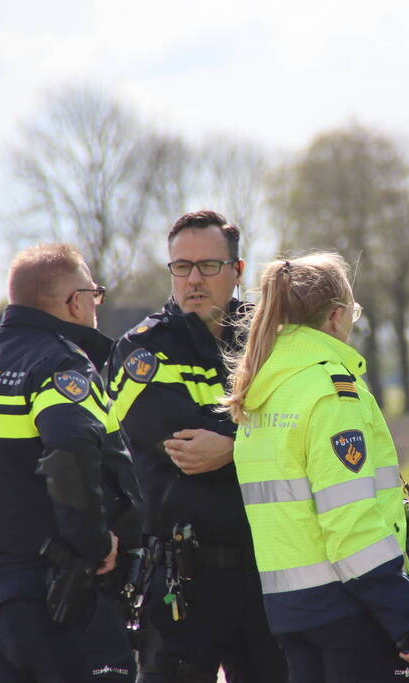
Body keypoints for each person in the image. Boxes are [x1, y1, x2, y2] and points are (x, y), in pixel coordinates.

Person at [221, 252, 409, 683]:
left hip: (292, 614)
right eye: (353, 313)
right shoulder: (330, 392)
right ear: (337, 316)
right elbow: (351, 525)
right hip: (352, 613)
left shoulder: (263, 392)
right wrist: (406, 615)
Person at [0, 243, 132, 681]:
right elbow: (70, 454)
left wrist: (1, 539)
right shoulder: (58, 364)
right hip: (59, 596)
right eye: (94, 294)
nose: (96, 305)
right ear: (75, 301)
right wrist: (94, 545)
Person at [107, 210, 287, 682]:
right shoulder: (142, 350)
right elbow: (186, 446)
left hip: (271, 569)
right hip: (183, 582)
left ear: (238, 271)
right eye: (181, 267)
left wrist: (232, 446)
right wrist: (258, 435)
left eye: (209, 266)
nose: (193, 279)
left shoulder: (273, 341)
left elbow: (302, 430)